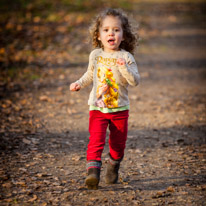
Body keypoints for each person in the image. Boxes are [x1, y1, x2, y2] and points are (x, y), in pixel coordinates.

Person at [70, 8, 140, 190]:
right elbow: (89, 75)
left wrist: (124, 67)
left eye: (116, 30)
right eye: (106, 30)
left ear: (123, 36)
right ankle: (92, 173)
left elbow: (135, 81)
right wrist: (79, 83)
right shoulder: (96, 55)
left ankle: (114, 165)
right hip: (97, 108)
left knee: (117, 144)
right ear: (98, 35)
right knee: (96, 140)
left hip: (120, 109)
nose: (111, 33)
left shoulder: (126, 57)